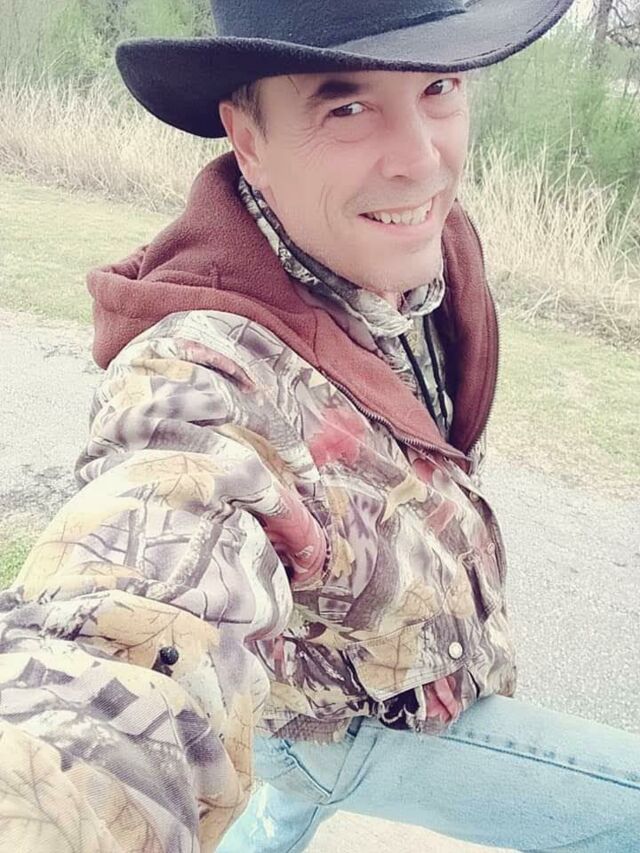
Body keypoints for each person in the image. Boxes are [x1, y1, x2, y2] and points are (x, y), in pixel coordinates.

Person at [0, 1, 638, 851]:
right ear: (249, 139)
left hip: (358, 665)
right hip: (350, 728)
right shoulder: (204, 370)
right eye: (348, 106)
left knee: (277, 824)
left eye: (440, 88)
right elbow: (127, 625)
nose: (422, 160)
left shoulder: (426, 246)